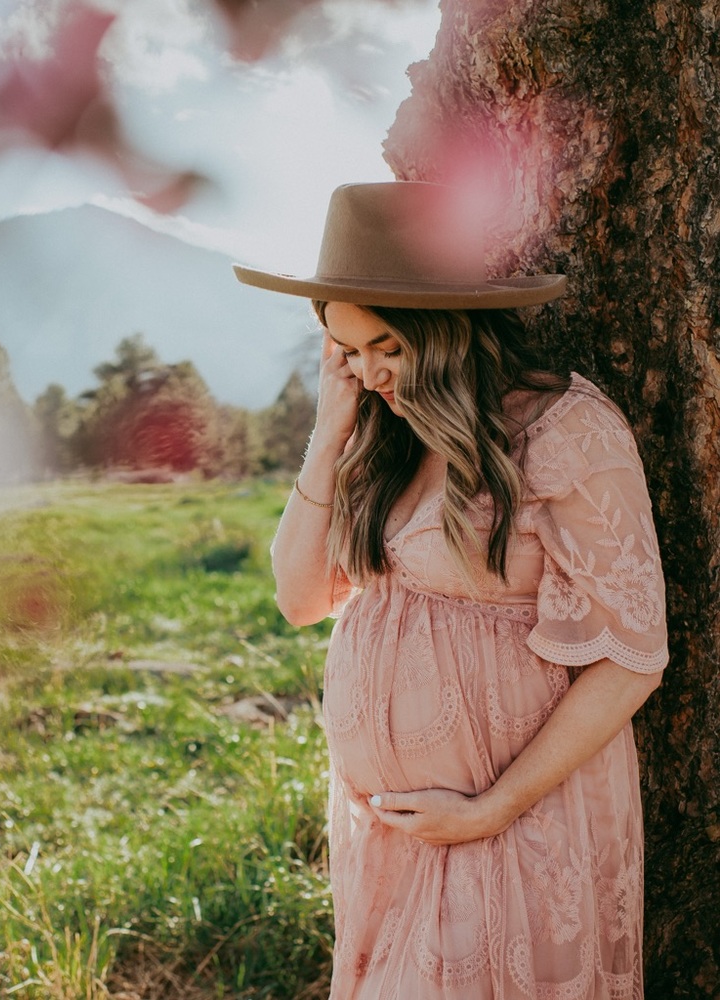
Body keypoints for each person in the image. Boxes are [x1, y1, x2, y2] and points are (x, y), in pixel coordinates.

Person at [233, 182, 668, 999]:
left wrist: (492, 808)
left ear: (444, 330)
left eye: (384, 346)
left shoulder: (565, 431)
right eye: (345, 348)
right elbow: (298, 597)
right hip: (397, 841)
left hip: (518, 822)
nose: (367, 371)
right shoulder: (381, 433)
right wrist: (329, 432)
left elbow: (635, 656)